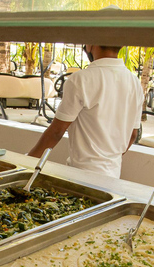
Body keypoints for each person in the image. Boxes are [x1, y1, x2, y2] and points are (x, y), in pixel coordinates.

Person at [27, 42, 143, 178]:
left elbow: (56, 132)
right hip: (113, 175)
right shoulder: (135, 83)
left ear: (90, 45)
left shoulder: (80, 79)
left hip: (82, 175)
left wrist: (27, 162)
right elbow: (133, 134)